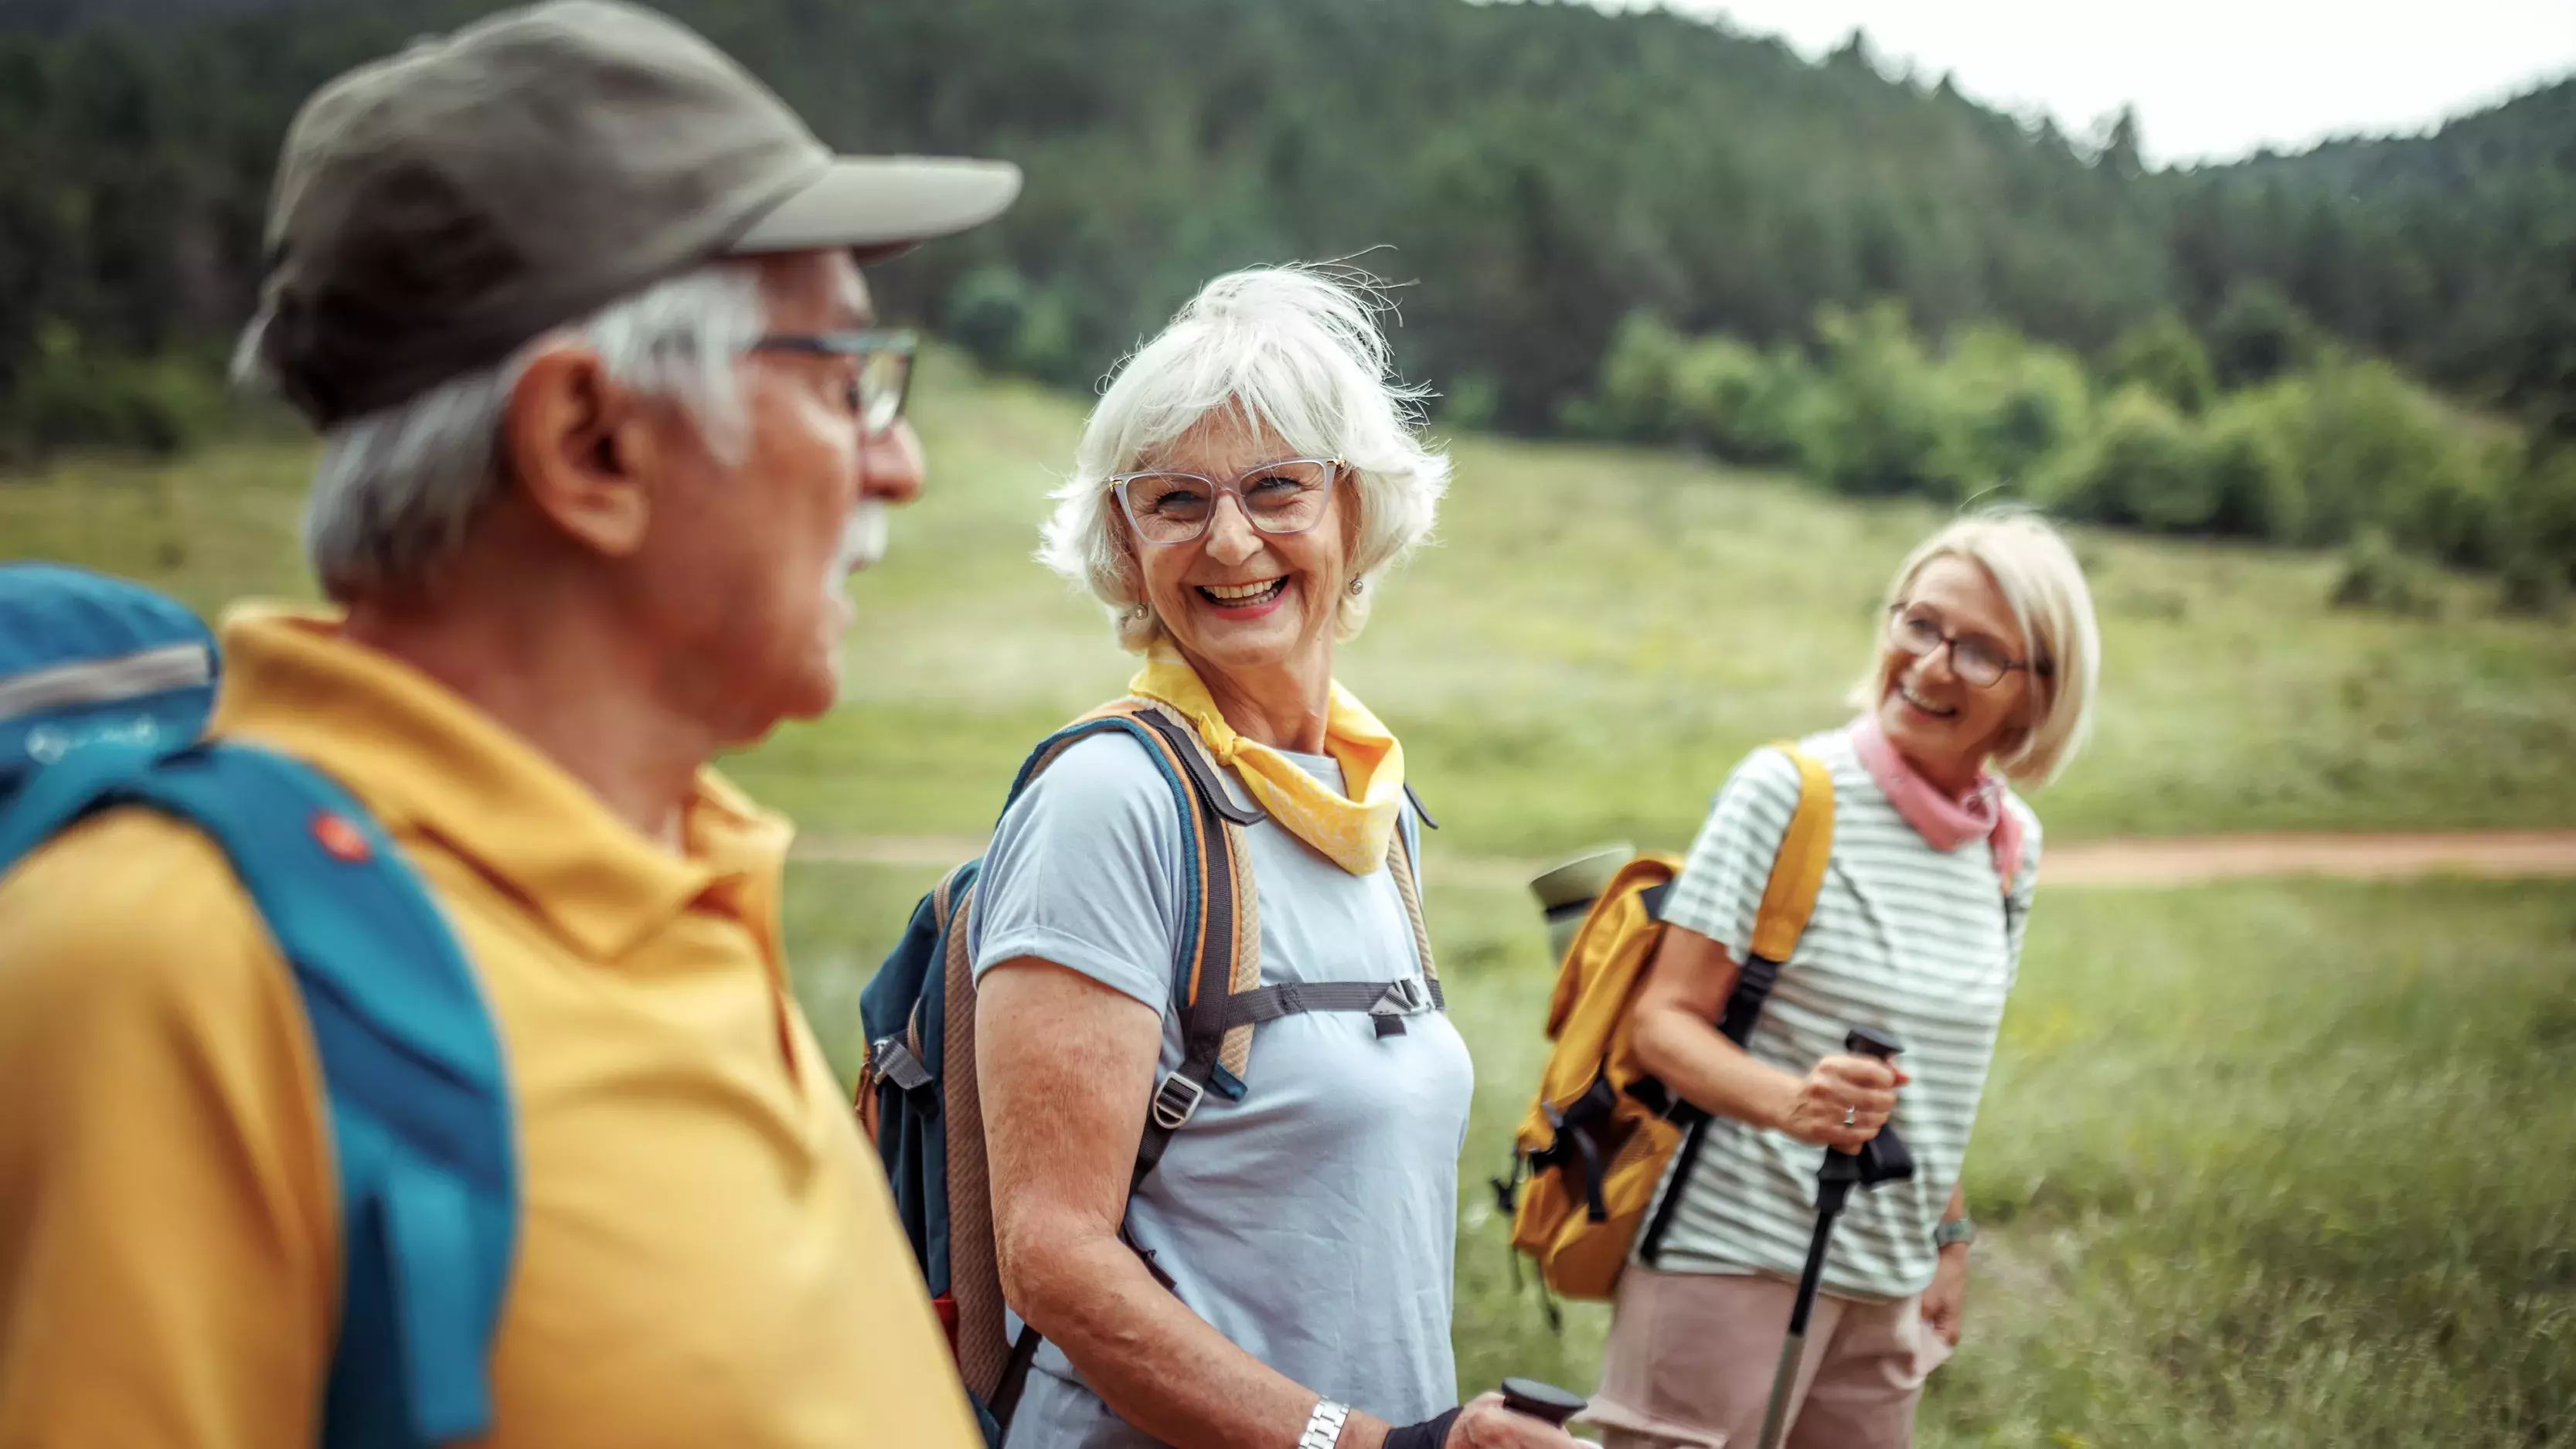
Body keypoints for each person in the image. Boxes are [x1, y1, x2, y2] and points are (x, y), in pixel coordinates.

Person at [0, 4, 1018, 1446]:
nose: (896, 462)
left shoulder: (674, 877)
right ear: (589, 444)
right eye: (842, 375)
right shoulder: (179, 971)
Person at [967, 267, 1575, 1449]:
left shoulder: (1372, 804)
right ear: (1123, 536)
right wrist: (1359, 1442)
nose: (1230, 539)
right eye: (1176, 499)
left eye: (1276, 487)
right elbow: (1049, 1254)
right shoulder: (1111, 797)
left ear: (1356, 509)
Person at [1589, 512, 2101, 1449]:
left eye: (1981, 651)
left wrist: (1945, 1242)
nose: (1934, 664)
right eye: (1920, 624)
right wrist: (1796, 1103)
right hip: (1729, 1260)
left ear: (2040, 696)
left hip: (1887, 1280)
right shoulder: (1788, 791)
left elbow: (1942, 1082)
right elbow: (1661, 1024)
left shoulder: (2008, 847)